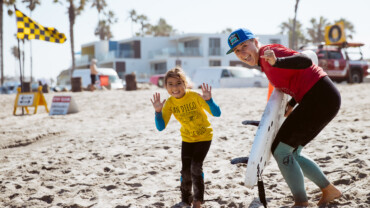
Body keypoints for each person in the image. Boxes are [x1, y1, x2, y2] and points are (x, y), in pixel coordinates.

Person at [226, 28, 342, 207]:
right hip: (318, 99)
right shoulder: (265, 63)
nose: (242, 53)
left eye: (244, 46)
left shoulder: (268, 53)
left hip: (320, 98)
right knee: (291, 151)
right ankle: (329, 190)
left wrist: (277, 60)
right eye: (237, 51)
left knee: (280, 149)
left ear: (255, 42)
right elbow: (298, 77)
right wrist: (292, 103)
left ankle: (301, 202)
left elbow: (305, 61)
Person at [150, 67, 221, 208]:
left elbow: (216, 113)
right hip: (187, 139)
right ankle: (185, 198)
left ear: (185, 83)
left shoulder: (194, 96)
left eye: (178, 83)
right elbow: (160, 127)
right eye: (170, 84)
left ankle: (198, 200)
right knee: (186, 171)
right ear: (166, 87)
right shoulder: (170, 103)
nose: (175, 88)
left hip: (204, 137)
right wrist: (158, 112)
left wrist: (209, 101)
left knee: (196, 167)